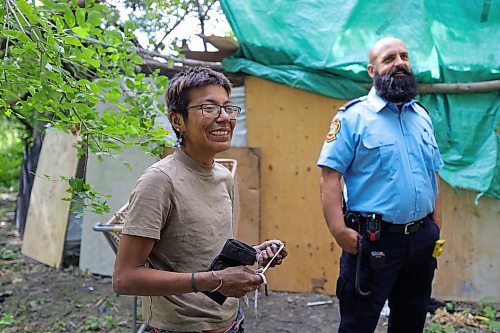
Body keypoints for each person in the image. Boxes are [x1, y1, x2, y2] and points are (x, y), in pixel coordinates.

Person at [113, 67, 287, 333]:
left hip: (230, 322)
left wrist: (254, 253)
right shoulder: (159, 181)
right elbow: (125, 278)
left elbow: (207, 254)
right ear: (177, 121)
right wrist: (215, 280)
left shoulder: (223, 176)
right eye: (209, 108)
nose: (224, 117)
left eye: (228, 108)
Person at [317, 37, 443, 333]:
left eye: (404, 56)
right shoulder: (353, 118)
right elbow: (329, 176)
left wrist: (436, 223)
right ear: (372, 71)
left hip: (421, 239)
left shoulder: (422, 116)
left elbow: (432, 172)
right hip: (373, 242)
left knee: (411, 321)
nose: (400, 63)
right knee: (358, 324)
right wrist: (338, 229)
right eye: (389, 59)